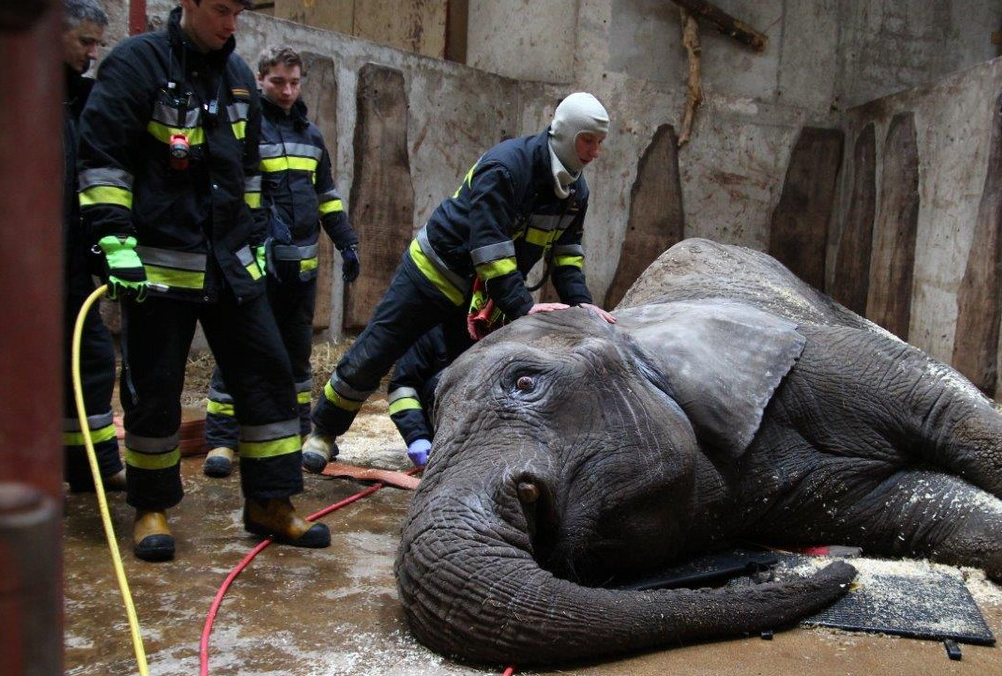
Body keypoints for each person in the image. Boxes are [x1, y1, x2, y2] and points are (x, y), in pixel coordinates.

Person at [77, 0, 328, 562]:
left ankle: (270, 500)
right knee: (155, 390)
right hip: (159, 266)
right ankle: (151, 507)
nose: (231, 24)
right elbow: (103, 160)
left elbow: (248, 171)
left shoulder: (239, 77)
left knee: (268, 375)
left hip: (233, 264)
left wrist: (257, 237)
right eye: (220, 10)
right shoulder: (136, 64)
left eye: (237, 11)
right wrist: (116, 241)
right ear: (188, 3)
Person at [302, 92, 616, 472]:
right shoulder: (506, 167)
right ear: (565, 133)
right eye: (588, 140)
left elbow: (566, 255)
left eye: (599, 142)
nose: (595, 152)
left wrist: (582, 304)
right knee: (375, 352)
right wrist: (522, 307)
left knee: (463, 375)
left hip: (480, 293)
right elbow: (490, 248)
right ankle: (323, 431)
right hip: (432, 273)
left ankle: (449, 450)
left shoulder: (574, 192)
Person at [201, 45, 360, 479]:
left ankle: (296, 436)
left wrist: (346, 241)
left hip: (300, 273)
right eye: (278, 82)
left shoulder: (312, 136)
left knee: (296, 359)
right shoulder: (249, 131)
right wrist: (251, 245)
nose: (288, 91)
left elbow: (326, 197)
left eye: (294, 82)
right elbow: (239, 197)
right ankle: (221, 441)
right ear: (259, 81)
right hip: (257, 270)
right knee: (240, 352)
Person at [61, 0, 125, 494]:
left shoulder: (82, 102)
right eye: (84, 41)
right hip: (20, 270)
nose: (92, 53)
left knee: (91, 361)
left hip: (68, 266)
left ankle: (89, 469)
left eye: (97, 44)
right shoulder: (16, 96)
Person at [387, 327, 451, 467]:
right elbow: (403, 387)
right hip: (440, 434)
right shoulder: (432, 329)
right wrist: (416, 436)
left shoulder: (506, 322)